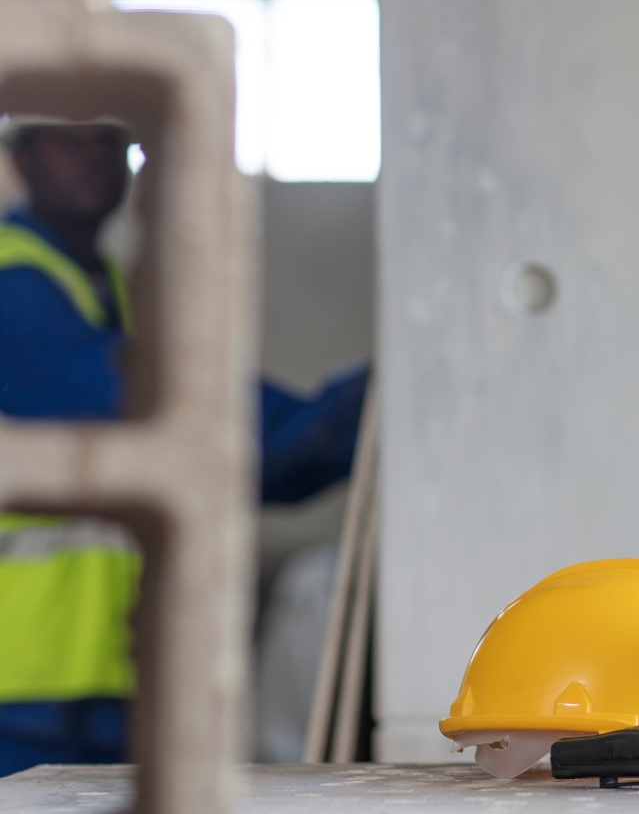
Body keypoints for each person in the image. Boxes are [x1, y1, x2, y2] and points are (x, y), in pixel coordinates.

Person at [0, 116, 366, 775]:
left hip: (100, 677)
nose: (93, 157)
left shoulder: (102, 286)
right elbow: (177, 418)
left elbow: (221, 462)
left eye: (109, 140)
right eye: (68, 139)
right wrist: (338, 418)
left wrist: (331, 434)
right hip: (22, 686)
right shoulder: (14, 286)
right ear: (22, 158)